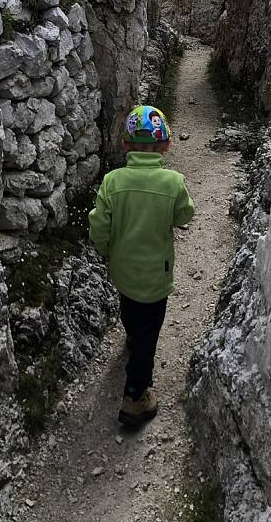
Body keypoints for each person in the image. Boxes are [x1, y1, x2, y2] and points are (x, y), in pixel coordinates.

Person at [88, 104, 195, 428]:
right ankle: (136, 396)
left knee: (129, 308)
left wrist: (106, 248)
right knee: (150, 329)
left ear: (124, 145)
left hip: (123, 269)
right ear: (165, 145)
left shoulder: (112, 182)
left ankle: (132, 337)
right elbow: (184, 216)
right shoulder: (173, 182)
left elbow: (99, 226)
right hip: (155, 275)